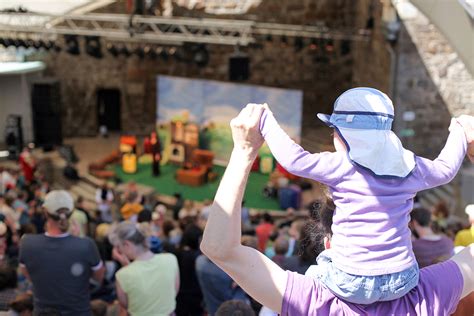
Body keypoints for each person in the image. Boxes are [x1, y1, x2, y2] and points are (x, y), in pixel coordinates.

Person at [200, 103, 474, 315]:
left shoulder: (313, 302)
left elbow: (219, 249)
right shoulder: (428, 295)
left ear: (328, 243)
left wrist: (244, 150)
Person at [258, 88, 469, 304]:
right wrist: (460, 131)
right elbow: (445, 170)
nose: (333, 136)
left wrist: (265, 120)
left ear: (345, 136)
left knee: (316, 269)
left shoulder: (340, 165)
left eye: (335, 131)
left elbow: (294, 160)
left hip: (350, 280)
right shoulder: (411, 168)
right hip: (402, 279)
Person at [19, 190, 104, 315]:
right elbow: (98, 278)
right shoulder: (86, 245)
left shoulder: (27, 243)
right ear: (71, 212)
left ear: (45, 212)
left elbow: (29, 275)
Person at [109, 221, 180, 316]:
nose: (118, 251)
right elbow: (173, 291)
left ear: (126, 244)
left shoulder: (122, 275)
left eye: (118, 247)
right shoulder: (170, 259)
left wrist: (126, 266)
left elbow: (127, 305)